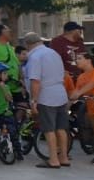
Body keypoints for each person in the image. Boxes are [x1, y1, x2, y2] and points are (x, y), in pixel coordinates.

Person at [22, 32, 71, 169]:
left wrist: (33, 101)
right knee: (61, 128)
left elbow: (35, 81)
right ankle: (64, 157)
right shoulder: (53, 53)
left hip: (46, 96)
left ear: (28, 45)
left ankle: (53, 159)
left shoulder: (35, 57)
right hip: (60, 93)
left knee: (49, 129)